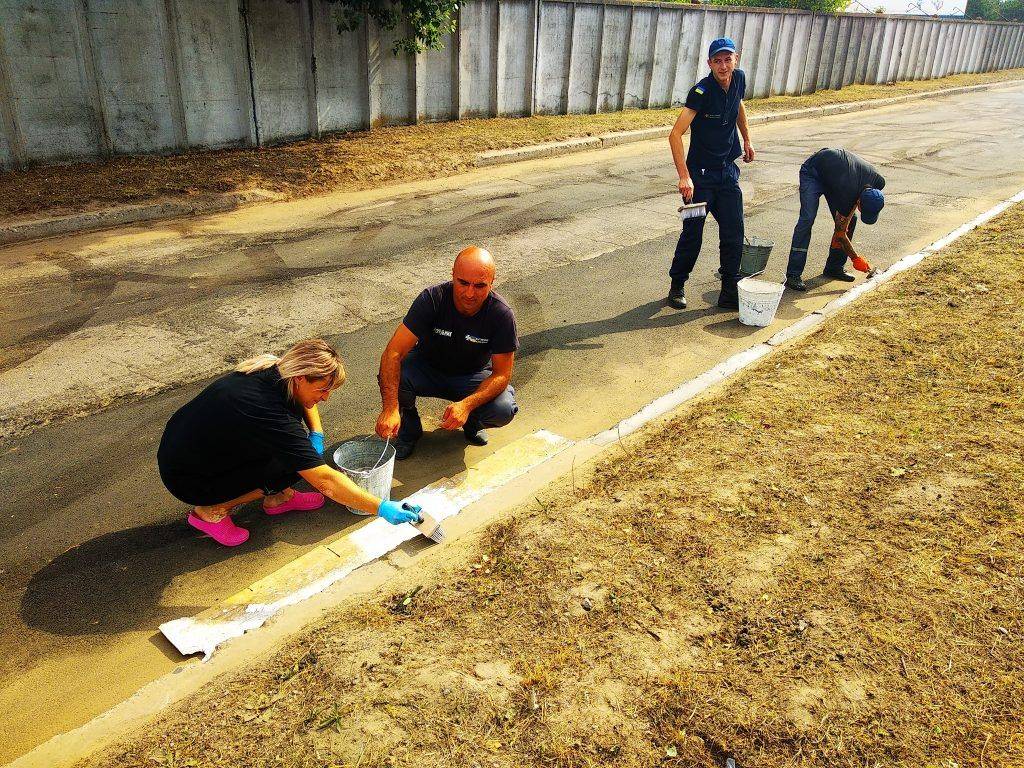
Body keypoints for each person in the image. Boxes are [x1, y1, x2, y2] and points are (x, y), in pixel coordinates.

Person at [158, 339, 421, 547]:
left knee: (298, 453)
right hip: (188, 476)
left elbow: (306, 402)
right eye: (323, 390)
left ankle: (279, 497)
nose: (326, 398)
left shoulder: (276, 368)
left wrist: (316, 433)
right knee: (293, 464)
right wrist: (381, 507)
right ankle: (211, 510)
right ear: (300, 378)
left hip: (193, 447)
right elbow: (325, 482)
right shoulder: (266, 409)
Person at [375, 246, 519, 460]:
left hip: (471, 377)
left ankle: (472, 420)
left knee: (503, 409)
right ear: (452, 275)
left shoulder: (501, 314)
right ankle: (409, 426)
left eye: (480, 286)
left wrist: (467, 405)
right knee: (393, 372)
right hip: (427, 369)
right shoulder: (431, 299)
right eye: (463, 283)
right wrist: (390, 409)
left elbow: (502, 374)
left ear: (492, 282)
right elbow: (393, 352)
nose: (470, 293)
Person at [667, 37, 755, 311]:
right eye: (717, 60)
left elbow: (738, 105)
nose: (723, 65)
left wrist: (747, 139)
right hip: (700, 178)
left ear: (735, 60)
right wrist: (684, 176)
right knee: (693, 234)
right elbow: (675, 134)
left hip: (728, 173)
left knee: (734, 232)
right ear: (709, 63)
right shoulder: (701, 92)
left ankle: (729, 291)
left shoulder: (738, 79)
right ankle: (677, 285)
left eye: (727, 59)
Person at [784, 147, 886, 291]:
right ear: (858, 202)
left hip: (837, 178)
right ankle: (793, 274)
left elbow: (846, 222)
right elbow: (840, 233)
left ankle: (834, 268)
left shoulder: (879, 182)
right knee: (807, 219)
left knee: (852, 220)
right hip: (813, 172)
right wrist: (855, 258)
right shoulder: (848, 193)